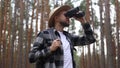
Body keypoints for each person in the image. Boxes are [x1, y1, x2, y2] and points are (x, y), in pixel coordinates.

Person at [28, 5, 96, 68]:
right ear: (56, 18)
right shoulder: (44, 34)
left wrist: (83, 21)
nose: (68, 17)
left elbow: (90, 39)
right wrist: (50, 49)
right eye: (65, 15)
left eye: (68, 15)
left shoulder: (69, 37)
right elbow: (31, 57)